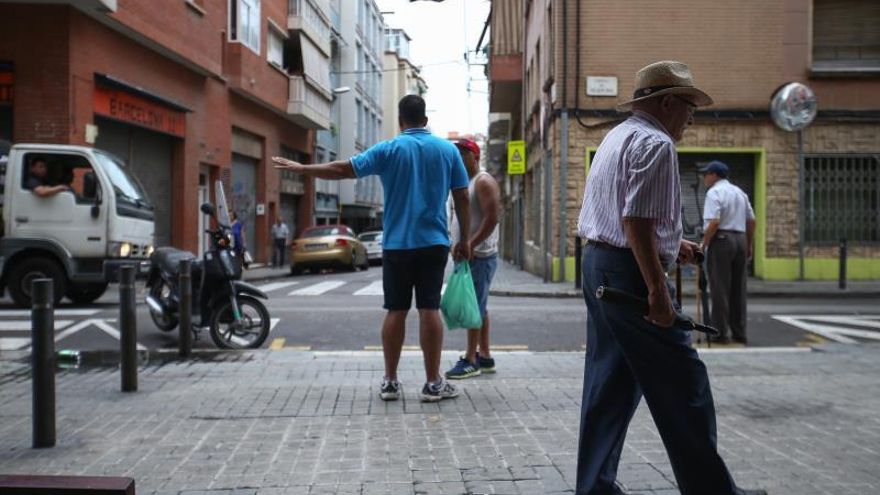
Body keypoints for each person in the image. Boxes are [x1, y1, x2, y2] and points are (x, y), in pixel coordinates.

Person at [575, 61, 766, 495]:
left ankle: (594, 487)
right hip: (627, 275)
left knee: (611, 383)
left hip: (599, 265)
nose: (692, 117)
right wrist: (659, 292)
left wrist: (671, 244)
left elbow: (620, 215)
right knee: (685, 383)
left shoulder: (616, 135)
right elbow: (635, 221)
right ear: (665, 103)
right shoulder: (656, 144)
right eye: (688, 106)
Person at [272, 95, 471, 403]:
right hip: (433, 243)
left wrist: (303, 168)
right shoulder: (447, 151)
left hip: (395, 245)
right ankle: (433, 383)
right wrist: (465, 240)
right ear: (426, 120)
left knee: (396, 310)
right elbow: (462, 198)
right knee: (429, 308)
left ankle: (390, 381)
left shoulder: (388, 149)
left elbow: (342, 169)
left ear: (401, 120)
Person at [445, 138, 501, 380]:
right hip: (468, 255)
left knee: (473, 308)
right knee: (480, 305)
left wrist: (470, 243)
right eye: (456, 154)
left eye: (464, 153)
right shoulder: (462, 182)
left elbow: (492, 219)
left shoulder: (483, 181)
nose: (459, 158)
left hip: (480, 255)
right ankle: (485, 355)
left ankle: (471, 359)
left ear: (475, 156)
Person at [700, 160, 756, 345]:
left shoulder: (714, 192)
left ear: (715, 175)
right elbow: (751, 221)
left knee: (719, 288)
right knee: (738, 289)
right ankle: (740, 332)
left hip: (721, 240)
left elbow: (714, 222)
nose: (704, 177)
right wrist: (748, 245)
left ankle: (720, 332)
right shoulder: (739, 192)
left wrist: (703, 245)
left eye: (706, 173)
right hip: (740, 238)